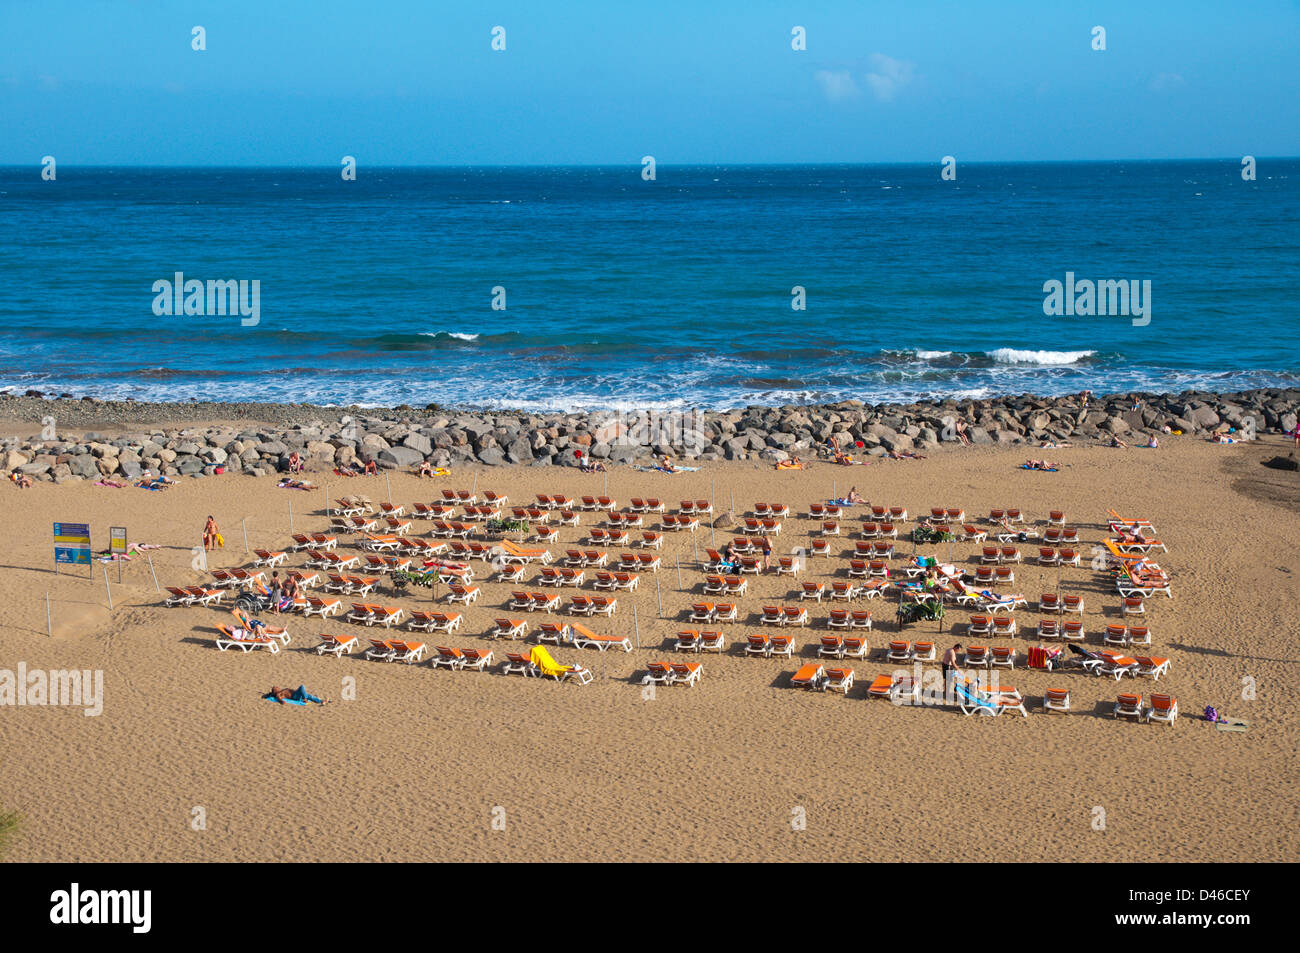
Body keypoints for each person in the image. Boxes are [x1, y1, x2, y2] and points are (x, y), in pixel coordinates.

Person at [263, 685, 328, 705]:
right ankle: (305, 699)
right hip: (295, 696)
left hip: (298, 694)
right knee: (302, 687)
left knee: (310, 696)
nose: (277, 687)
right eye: (276, 687)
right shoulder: (278, 693)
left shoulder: (281, 691)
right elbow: (279, 698)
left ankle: (321, 701)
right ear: (275, 691)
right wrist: (281, 701)